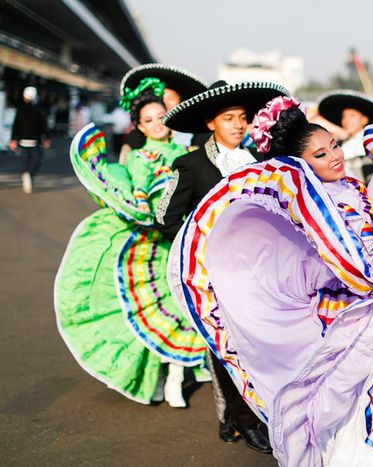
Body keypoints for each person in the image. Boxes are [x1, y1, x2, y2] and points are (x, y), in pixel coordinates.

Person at [167, 96, 373, 465]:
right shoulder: (303, 206)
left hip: (369, 310)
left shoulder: (353, 187)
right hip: (333, 319)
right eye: (320, 155)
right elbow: (310, 267)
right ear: (300, 165)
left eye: (334, 145)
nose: (335, 156)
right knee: (339, 407)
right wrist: (360, 271)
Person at [55, 77, 207, 408]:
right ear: (138, 124)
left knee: (185, 311)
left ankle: (177, 378)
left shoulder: (187, 152)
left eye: (161, 118)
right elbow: (140, 193)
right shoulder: (139, 157)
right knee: (157, 314)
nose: (157, 125)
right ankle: (160, 378)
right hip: (153, 245)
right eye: (148, 120)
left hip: (187, 241)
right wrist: (143, 205)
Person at [157, 79, 289, 453]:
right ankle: (245, 419)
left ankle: (234, 416)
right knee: (225, 344)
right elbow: (166, 216)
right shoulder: (190, 163)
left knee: (259, 344)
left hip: (260, 273)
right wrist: (202, 244)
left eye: (243, 117)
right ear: (211, 123)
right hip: (214, 275)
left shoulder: (260, 163)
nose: (237, 125)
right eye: (228, 118)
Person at [118, 63, 207, 163]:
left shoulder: (199, 134)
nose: (166, 104)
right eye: (161, 98)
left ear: (180, 101)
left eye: (171, 98)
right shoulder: (136, 137)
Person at [317, 89, 373, 183]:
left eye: (352, 116)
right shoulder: (339, 144)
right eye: (344, 117)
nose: (346, 121)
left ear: (364, 120)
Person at [10, 86, 50, 194]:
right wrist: (46, 138)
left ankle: (26, 174)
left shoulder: (20, 110)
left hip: (23, 141)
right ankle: (30, 175)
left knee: (25, 160)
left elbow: (16, 125)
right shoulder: (39, 111)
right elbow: (43, 126)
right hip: (35, 141)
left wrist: (13, 139)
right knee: (37, 160)